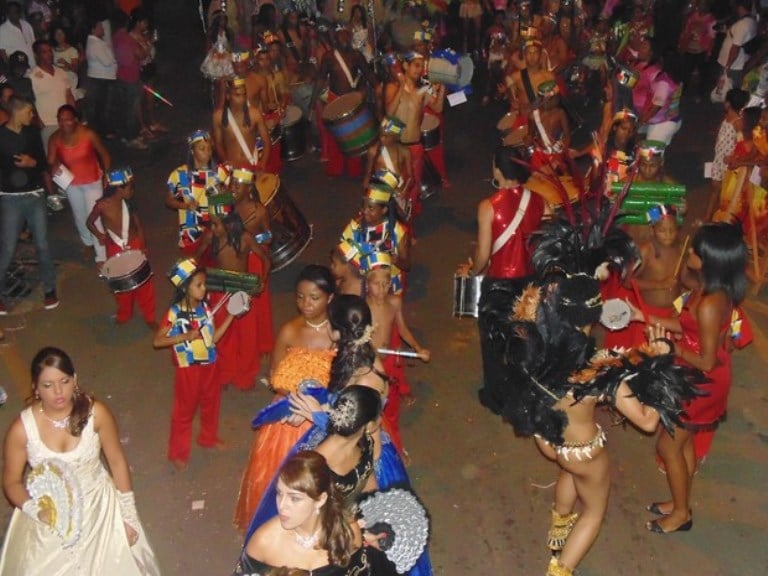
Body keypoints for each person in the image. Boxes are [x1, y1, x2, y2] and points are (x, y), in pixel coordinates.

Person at [628, 222, 747, 533]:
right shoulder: (708, 288)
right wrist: (645, 316)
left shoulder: (709, 303)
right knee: (683, 444)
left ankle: (681, 513)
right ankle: (680, 501)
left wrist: (670, 349)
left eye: (695, 250)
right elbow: (685, 325)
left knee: (669, 448)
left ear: (709, 260)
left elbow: (706, 360)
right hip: (694, 377)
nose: (688, 251)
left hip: (702, 382)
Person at [0, 346, 161, 574]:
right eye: (48, 385)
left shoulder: (96, 413)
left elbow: (116, 461)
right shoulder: (22, 429)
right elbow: (11, 482)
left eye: (64, 381)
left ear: (74, 379)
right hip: (51, 519)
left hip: (101, 511)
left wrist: (128, 517)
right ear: (35, 388)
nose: (58, 392)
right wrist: (36, 511)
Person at [233, 265, 337, 533]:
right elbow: (275, 375)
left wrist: (319, 404)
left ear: (330, 298)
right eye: (300, 297)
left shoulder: (339, 333)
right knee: (281, 485)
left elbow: (348, 381)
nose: (306, 304)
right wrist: (293, 396)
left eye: (314, 297)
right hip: (288, 421)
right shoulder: (290, 330)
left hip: (325, 419)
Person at [235, 451, 393, 576]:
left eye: (294, 498)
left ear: (320, 499)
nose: (282, 506)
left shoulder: (347, 532)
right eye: (279, 493)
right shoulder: (265, 541)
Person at [153, 258, 235, 470]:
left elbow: (213, 339)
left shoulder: (206, 308)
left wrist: (231, 316)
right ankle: (178, 452)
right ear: (184, 288)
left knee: (211, 403)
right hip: (188, 370)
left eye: (204, 283)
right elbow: (158, 340)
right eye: (198, 285)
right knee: (184, 411)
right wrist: (184, 336)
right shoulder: (175, 313)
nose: (204, 288)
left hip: (210, 365)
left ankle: (208, 438)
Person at [196, 209, 269, 391]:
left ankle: (245, 375)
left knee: (247, 334)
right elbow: (196, 257)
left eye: (216, 224)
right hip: (221, 288)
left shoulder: (245, 238)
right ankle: (225, 372)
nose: (212, 228)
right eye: (211, 224)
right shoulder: (210, 237)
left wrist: (262, 280)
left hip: (243, 289)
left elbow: (266, 260)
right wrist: (200, 277)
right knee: (224, 334)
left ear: (229, 224)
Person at [0, 96, 59, 315]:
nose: (32, 116)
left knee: (42, 244)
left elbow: (43, 164)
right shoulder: (1, 136)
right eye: (29, 112)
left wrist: (32, 163)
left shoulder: (32, 133)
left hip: (34, 196)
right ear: (17, 112)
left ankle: (50, 290)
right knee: (6, 248)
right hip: (9, 198)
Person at [366, 255, 430, 455]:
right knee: (370, 409)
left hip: (389, 365)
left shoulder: (394, 303)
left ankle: (395, 446)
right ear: (367, 284)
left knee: (391, 410)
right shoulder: (361, 307)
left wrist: (418, 349)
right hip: (369, 365)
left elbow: (402, 330)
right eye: (376, 284)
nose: (382, 289)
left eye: (386, 284)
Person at [86, 167, 157, 328]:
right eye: (130, 187)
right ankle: (125, 313)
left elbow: (139, 227)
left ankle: (150, 316)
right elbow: (89, 222)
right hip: (115, 248)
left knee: (144, 282)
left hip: (134, 244)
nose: (132, 190)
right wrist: (99, 234)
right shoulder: (102, 205)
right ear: (119, 188)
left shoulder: (130, 204)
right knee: (121, 284)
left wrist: (143, 246)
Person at [309, 25, 378, 179]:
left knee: (354, 134)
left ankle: (354, 170)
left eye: (346, 35)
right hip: (335, 99)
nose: (344, 38)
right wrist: (313, 102)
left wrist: (378, 87)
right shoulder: (329, 56)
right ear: (335, 38)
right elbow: (321, 78)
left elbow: (367, 73)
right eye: (341, 35)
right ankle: (335, 169)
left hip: (352, 100)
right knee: (335, 136)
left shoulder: (356, 56)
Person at [47, 104, 111, 266]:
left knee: (94, 217)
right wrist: (53, 165)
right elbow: (50, 161)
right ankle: (87, 242)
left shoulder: (88, 134)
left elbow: (105, 155)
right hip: (71, 183)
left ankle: (101, 255)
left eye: (67, 120)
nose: (63, 124)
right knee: (79, 216)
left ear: (76, 120)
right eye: (60, 120)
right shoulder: (55, 138)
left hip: (92, 181)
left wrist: (107, 175)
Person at [340, 185, 411, 295]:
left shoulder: (397, 231)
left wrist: (396, 261)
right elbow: (341, 258)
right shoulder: (354, 227)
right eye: (363, 207)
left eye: (371, 208)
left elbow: (407, 265)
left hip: (388, 286)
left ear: (384, 210)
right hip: (362, 284)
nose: (365, 211)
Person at [165, 129, 225, 256]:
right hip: (190, 234)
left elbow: (229, 202)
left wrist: (221, 196)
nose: (207, 153)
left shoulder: (220, 173)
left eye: (209, 149)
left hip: (214, 231)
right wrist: (185, 206)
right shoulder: (179, 175)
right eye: (202, 149)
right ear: (192, 151)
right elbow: (168, 200)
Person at [213, 76, 272, 169]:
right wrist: (225, 162)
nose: (242, 99)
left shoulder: (255, 114)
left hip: (252, 163)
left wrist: (262, 165)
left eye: (244, 94)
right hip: (232, 168)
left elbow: (267, 141)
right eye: (237, 95)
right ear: (228, 96)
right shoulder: (218, 117)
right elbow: (218, 143)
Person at [30, 39, 75, 153]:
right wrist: (37, 120)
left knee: (71, 154)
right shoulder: (32, 76)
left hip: (66, 123)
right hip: (48, 124)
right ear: (37, 55)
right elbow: (29, 102)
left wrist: (74, 116)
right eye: (44, 52)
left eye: (50, 51)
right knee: (54, 159)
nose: (49, 54)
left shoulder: (61, 72)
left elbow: (69, 95)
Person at [86, 17, 118, 138]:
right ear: (93, 29)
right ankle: (103, 131)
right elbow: (107, 61)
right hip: (101, 79)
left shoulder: (96, 42)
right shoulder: (96, 44)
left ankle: (102, 130)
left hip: (101, 78)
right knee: (102, 106)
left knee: (101, 106)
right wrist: (113, 59)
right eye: (99, 26)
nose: (102, 28)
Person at [716, 0, 756, 91]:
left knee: (726, 89)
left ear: (740, 7)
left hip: (733, 65)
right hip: (738, 63)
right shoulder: (750, 21)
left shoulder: (742, 24)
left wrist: (727, 67)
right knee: (729, 89)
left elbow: (735, 48)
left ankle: (726, 104)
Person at [0, 1, 36, 67]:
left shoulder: (26, 25)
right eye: (10, 12)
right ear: (7, 14)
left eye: (15, 12)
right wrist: (10, 68)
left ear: (19, 13)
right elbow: (2, 52)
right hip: (18, 69)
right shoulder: (2, 29)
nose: (13, 14)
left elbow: (33, 44)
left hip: (33, 64)